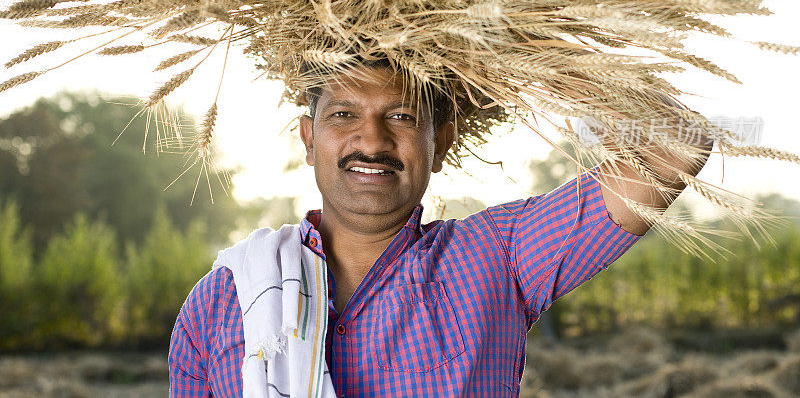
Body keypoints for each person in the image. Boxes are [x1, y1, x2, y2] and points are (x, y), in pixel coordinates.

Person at [168, 60, 713, 397]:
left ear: (442, 140)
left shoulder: (498, 257)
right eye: (343, 115)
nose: (372, 140)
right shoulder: (222, 301)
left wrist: (527, 45)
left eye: (401, 116)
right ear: (309, 138)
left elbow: (680, 144)